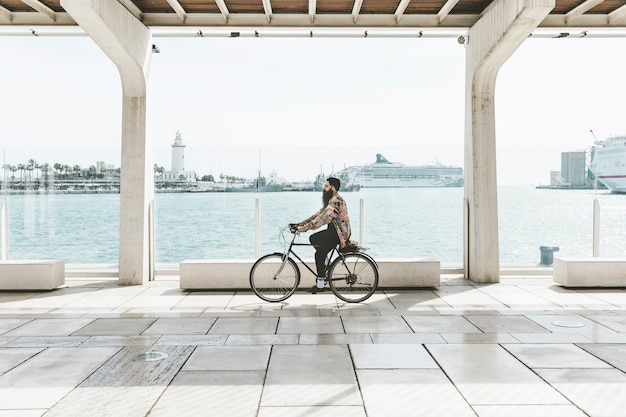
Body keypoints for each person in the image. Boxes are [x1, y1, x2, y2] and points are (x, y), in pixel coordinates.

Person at [292, 177, 351, 293]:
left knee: (319, 254)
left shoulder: (335, 201)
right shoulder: (332, 200)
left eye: (326, 186)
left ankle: (320, 284)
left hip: (339, 234)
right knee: (313, 238)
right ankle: (327, 263)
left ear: (333, 188)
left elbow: (323, 219)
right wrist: (300, 224)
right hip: (333, 231)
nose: (323, 188)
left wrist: (304, 228)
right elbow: (318, 214)